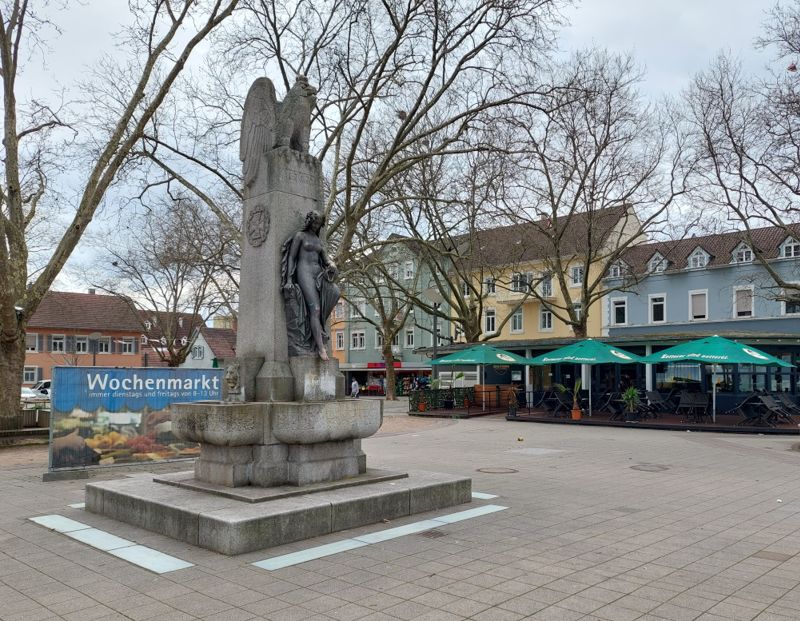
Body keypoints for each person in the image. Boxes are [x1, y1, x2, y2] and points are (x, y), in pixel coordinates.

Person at [281, 210, 339, 360]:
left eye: (318, 223)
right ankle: (321, 348)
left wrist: (331, 264)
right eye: (314, 222)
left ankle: (319, 330)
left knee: (335, 292)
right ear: (309, 221)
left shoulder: (318, 240)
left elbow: (325, 259)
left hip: (318, 274)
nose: (316, 225)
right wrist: (289, 279)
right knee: (315, 309)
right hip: (304, 272)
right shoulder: (300, 236)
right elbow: (292, 257)